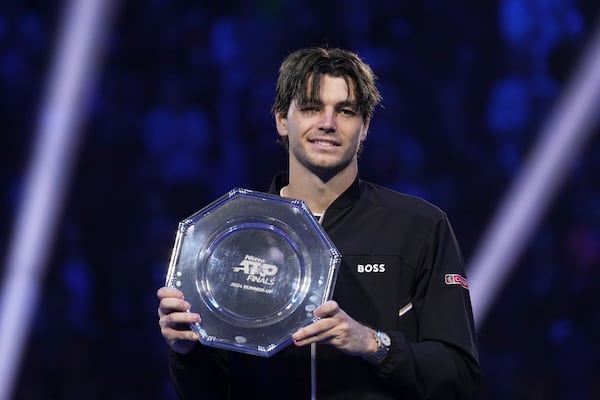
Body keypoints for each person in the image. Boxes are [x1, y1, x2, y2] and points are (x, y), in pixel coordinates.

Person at [157, 46, 480, 399]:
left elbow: (460, 377)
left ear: (365, 126)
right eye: (311, 108)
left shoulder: (419, 227)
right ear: (282, 118)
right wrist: (186, 350)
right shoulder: (233, 234)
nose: (327, 123)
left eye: (345, 111)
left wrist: (373, 343)